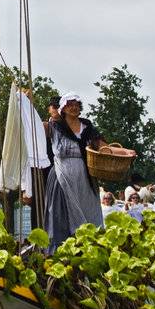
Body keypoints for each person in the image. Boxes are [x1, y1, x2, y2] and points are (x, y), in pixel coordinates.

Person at [39, 92, 106, 251]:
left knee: (89, 212)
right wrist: (26, 104)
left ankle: (91, 250)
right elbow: (32, 128)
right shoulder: (54, 126)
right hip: (62, 176)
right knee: (61, 215)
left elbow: (104, 147)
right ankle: (61, 253)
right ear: (63, 108)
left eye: (76, 104)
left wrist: (121, 153)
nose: (74, 107)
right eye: (70, 104)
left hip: (85, 178)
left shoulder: (87, 127)